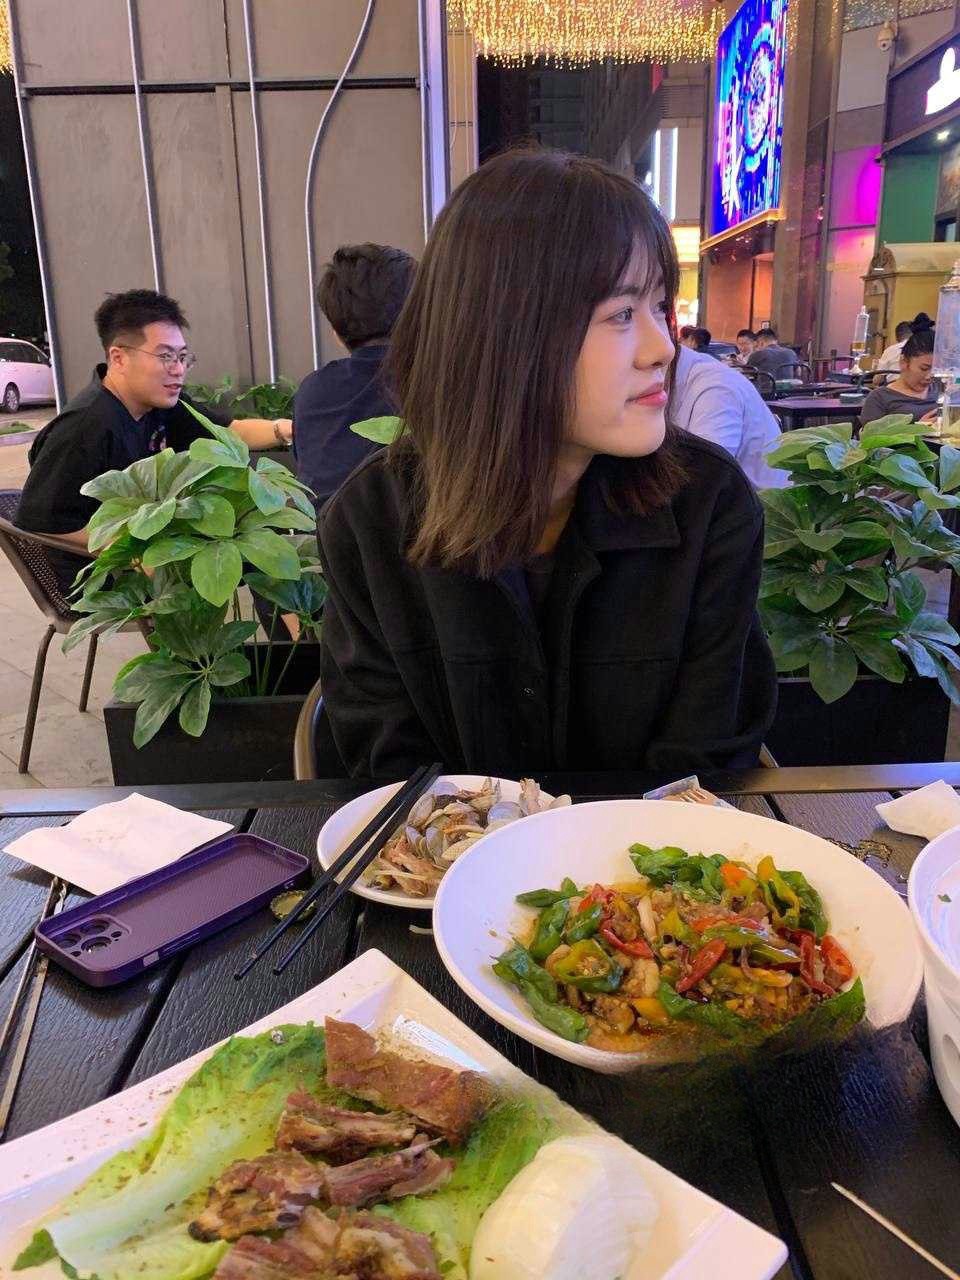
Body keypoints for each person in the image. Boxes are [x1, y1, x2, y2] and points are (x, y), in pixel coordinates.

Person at [318, 148, 777, 779]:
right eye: (621, 314)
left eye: (659, 306)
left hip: (647, 844)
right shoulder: (372, 522)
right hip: (458, 848)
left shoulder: (708, 504)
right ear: (505, 331)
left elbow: (705, 764)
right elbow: (389, 770)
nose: (662, 348)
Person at [15, 289, 293, 595]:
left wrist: (287, 429)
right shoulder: (83, 428)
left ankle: (295, 622)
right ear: (119, 358)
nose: (178, 369)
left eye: (182, 357)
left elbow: (230, 431)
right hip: (103, 580)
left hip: (153, 547)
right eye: (165, 356)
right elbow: (38, 520)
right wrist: (132, 549)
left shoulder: (160, 404)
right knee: (248, 557)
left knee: (259, 538)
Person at [293, 243, 416, 511]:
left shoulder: (313, 392)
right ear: (420, 315)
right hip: (411, 535)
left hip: (321, 535)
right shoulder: (429, 384)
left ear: (336, 333)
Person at [670, 343, 787, 488]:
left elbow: (705, 479)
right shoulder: (681, 376)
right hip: (730, 496)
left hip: (762, 499)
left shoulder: (716, 389)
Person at [860, 329, 939, 426]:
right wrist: (918, 428)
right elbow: (870, 435)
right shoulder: (880, 397)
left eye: (936, 369)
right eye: (924, 369)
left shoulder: (939, 390)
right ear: (903, 362)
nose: (929, 376)